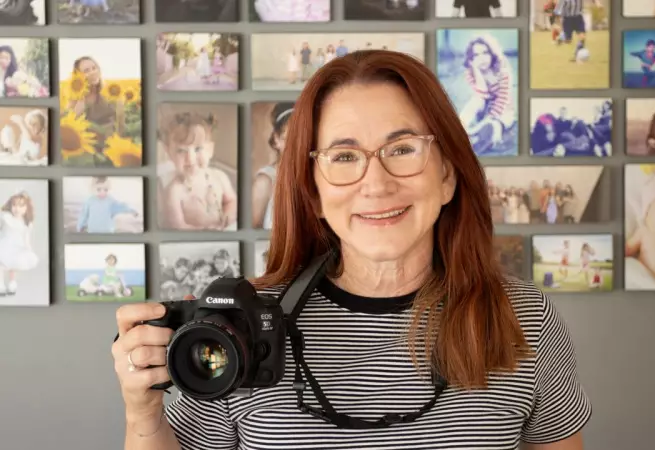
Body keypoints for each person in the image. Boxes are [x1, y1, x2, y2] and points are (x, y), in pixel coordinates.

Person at [111, 50, 591, 449]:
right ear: (314, 194)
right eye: (344, 157)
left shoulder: (524, 317)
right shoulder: (236, 324)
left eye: (402, 149)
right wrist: (144, 412)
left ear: (447, 176)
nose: (376, 184)